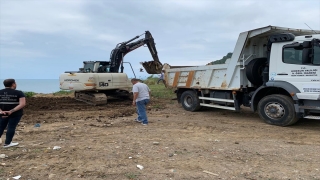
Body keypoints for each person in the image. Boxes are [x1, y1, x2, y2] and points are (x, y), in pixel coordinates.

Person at [0, 79, 26, 148]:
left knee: (1, 127)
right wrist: (11, 111)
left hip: (2, 113)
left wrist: (1, 111)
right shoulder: (19, 93)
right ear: (13, 84)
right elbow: (22, 104)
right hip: (15, 114)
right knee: (11, 127)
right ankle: (7, 143)